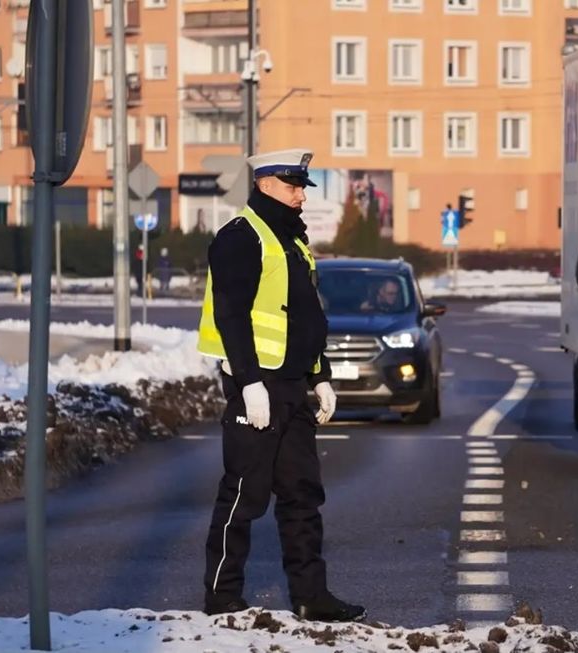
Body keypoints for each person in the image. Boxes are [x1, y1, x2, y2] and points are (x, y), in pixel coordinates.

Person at [195, 148, 365, 623]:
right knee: (245, 494)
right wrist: (248, 384)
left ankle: (312, 596)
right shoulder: (241, 238)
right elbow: (230, 315)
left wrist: (320, 375)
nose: (301, 198)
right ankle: (222, 598)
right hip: (258, 385)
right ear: (266, 184)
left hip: (291, 386)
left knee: (303, 495)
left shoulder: (290, 240)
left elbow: (304, 316)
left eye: (302, 189)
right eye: (293, 188)